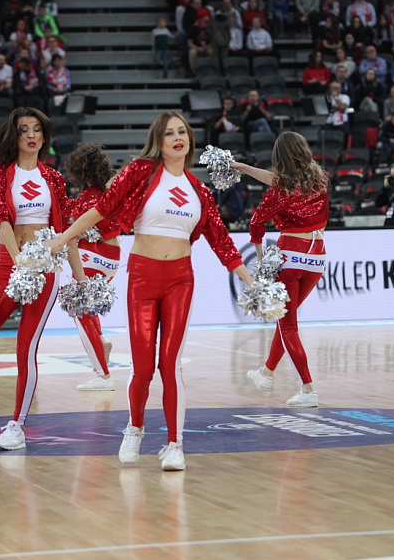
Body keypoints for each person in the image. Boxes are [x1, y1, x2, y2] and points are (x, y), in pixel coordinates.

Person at [43, 112, 254, 471]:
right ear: (158, 140)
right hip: (143, 277)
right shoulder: (141, 172)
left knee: (170, 365)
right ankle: (134, 429)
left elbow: (223, 243)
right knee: (143, 367)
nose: (177, 137)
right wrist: (63, 238)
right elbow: (102, 208)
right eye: (169, 133)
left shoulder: (199, 190)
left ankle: (175, 444)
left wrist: (252, 284)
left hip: (180, 280)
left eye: (182, 132)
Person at [0, 108, 86, 451]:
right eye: (24, 129)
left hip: (46, 265)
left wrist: (80, 275)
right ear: (15, 135)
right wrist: (19, 260)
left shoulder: (53, 177)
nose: (32, 135)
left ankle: (17, 425)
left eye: (37, 129)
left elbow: (66, 230)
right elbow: (2, 221)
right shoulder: (0, 174)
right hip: (11, 261)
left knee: (27, 346)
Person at [232, 132, 329, 407]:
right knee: (286, 318)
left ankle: (308, 389)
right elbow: (276, 179)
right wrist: (243, 168)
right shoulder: (320, 181)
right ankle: (266, 373)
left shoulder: (280, 191)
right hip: (317, 257)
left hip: (290, 257)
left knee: (287, 325)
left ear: (280, 157)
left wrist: (260, 258)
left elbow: (256, 222)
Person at [64, 144, 123, 392]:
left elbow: (73, 234)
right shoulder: (106, 193)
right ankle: (101, 340)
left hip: (93, 255)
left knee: (80, 309)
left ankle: (103, 376)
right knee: (87, 307)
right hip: (113, 258)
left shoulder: (88, 198)